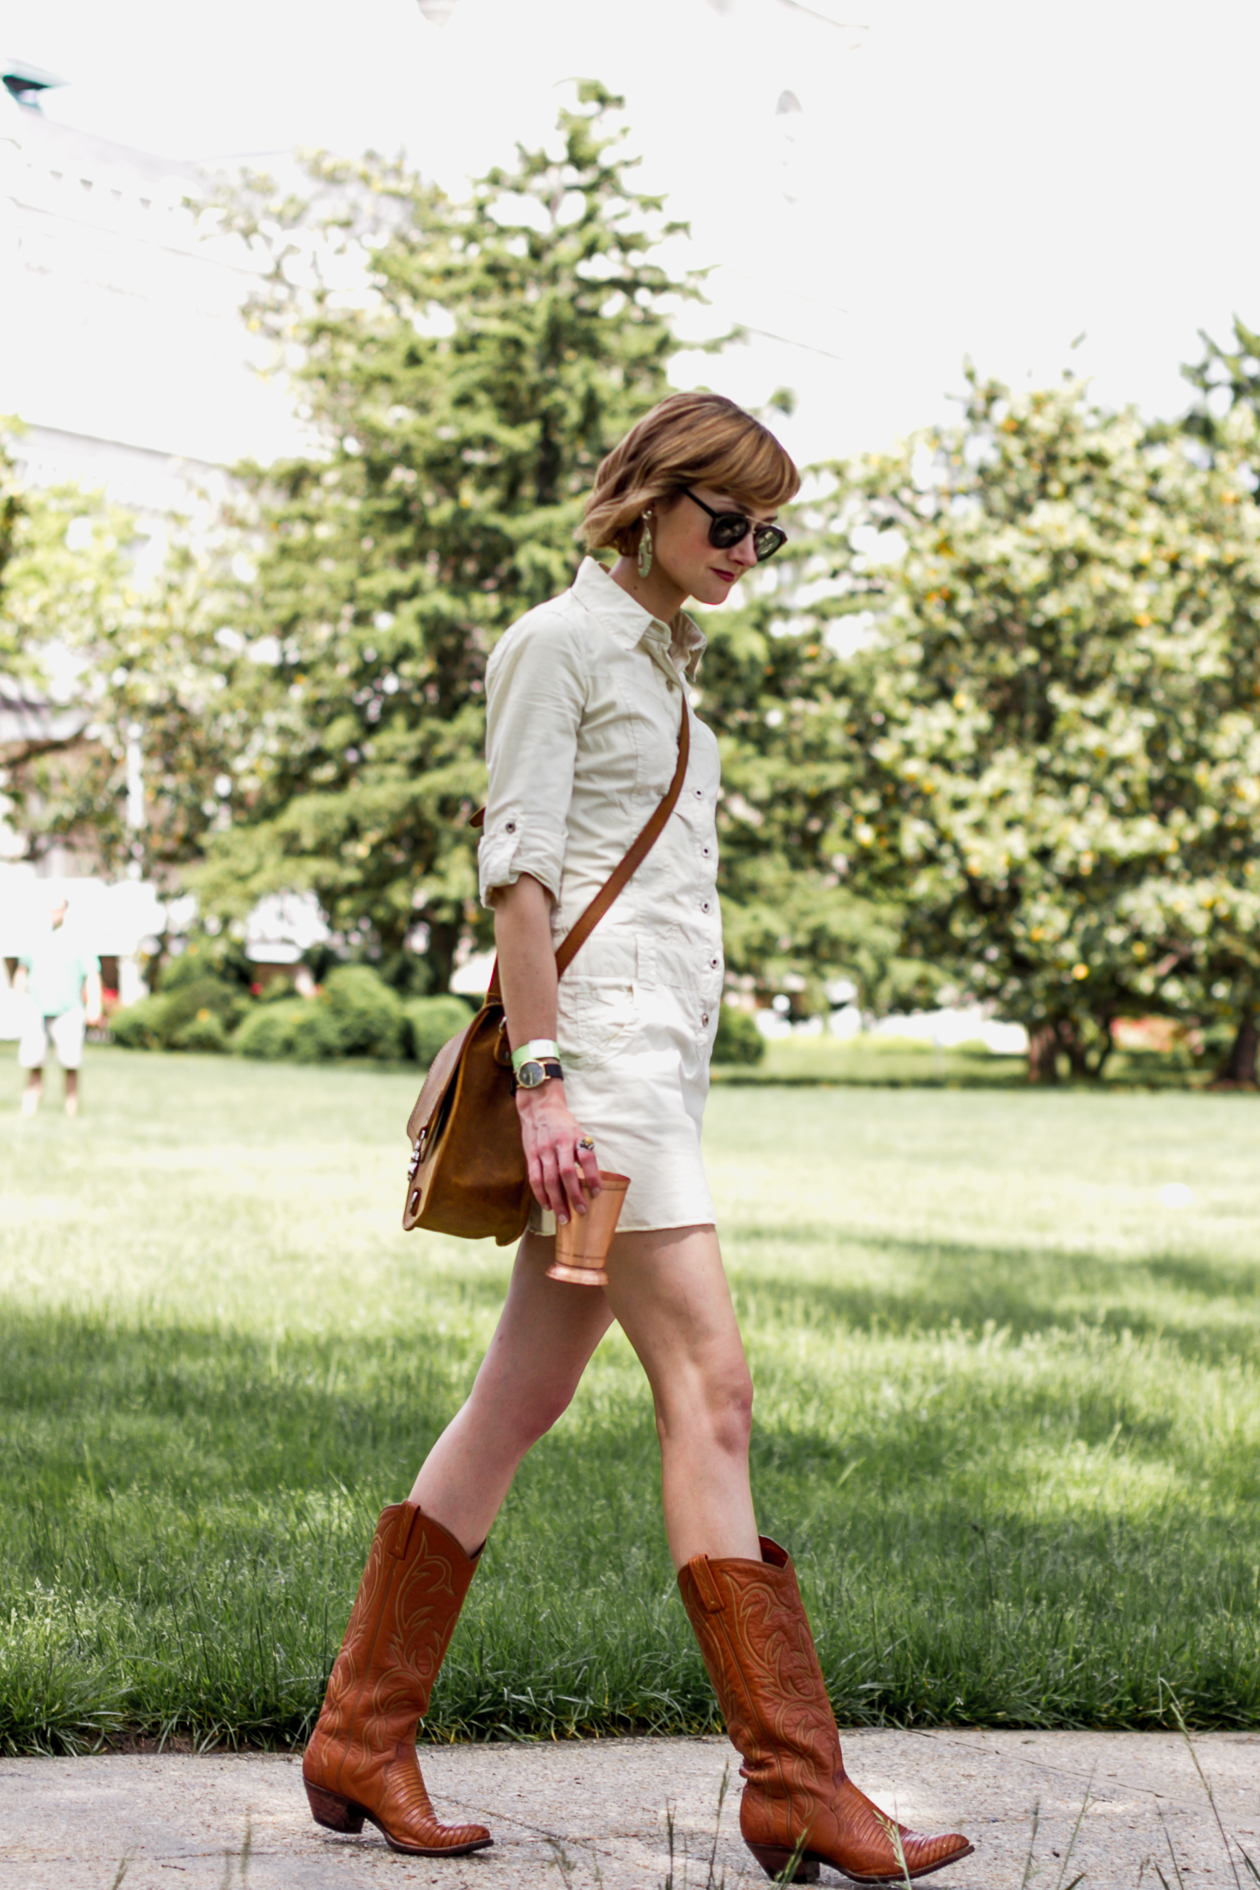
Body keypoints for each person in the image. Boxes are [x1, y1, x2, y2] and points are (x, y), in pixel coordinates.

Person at [301, 393, 974, 1885]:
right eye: (725, 519)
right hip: (594, 1081)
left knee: (515, 1404)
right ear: (652, 499)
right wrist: (544, 1080)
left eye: (765, 530)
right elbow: (519, 877)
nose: (746, 549)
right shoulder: (561, 644)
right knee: (712, 1393)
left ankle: (359, 1729)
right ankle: (797, 1781)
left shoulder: (672, 677)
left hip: (649, 1078)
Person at [14, 896, 103, 1118]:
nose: (53, 913)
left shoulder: (78, 940)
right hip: (37, 1008)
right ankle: (29, 1110)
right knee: (33, 1062)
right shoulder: (36, 939)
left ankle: (71, 1110)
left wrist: (94, 1004)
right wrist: (18, 1000)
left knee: (70, 1063)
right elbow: (22, 970)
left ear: (65, 911)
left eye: (58, 909)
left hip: (69, 1010)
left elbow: (92, 975)